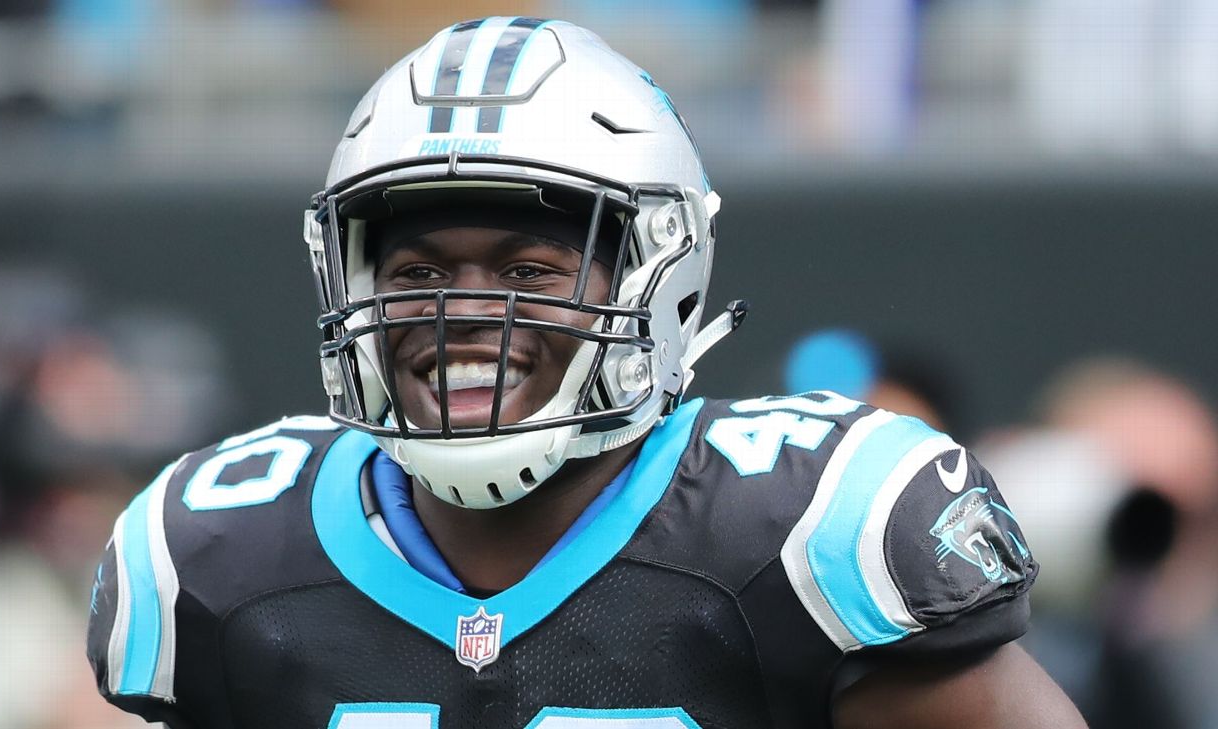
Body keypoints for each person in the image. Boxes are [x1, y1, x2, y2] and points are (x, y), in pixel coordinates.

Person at [86, 17, 1085, 729]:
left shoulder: (804, 529)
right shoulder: (222, 551)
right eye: (419, 271)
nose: (462, 313)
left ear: (659, 272)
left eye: (527, 270)